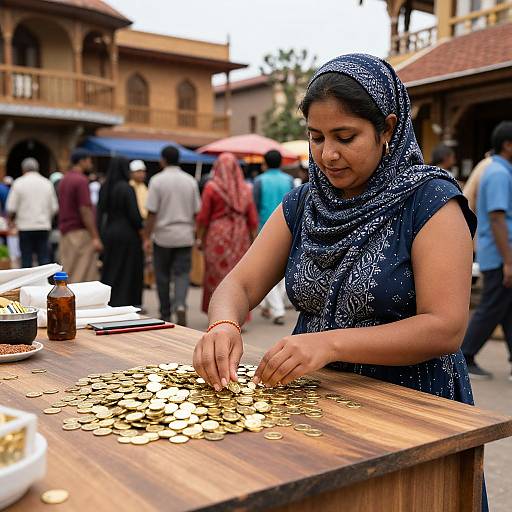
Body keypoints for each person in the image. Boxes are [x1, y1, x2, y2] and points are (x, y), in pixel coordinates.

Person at [193, 54, 485, 508]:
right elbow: (239, 285)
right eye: (316, 137)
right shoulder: (306, 202)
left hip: (409, 411)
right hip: (312, 403)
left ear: (387, 129)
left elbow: (445, 327)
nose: (327, 154)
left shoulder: (430, 202)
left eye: (345, 137)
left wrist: (328, 344)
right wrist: (224, 325)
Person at [461, 121, 512, 380]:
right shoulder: (499, 174)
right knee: (492, 306)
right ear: (507, 145)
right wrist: (508, 261)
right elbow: (497, 218)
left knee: (506, 308)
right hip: (499, 254)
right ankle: (465, 355)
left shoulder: (500, 171)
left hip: (500, 254)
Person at [144, 145, 200, 325]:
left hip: (163, 236)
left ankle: (166, 313)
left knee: (162, 275)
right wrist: (197, 234)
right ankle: (181, 304)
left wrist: (146, 236)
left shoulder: (157, 181)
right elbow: (196, 211)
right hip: (184, 235)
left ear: (163, 160)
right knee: (182, 273)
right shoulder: (190, 181)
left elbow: (152, 212)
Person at [196, 153, 258, 314]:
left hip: (217, 235)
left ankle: (217, 314)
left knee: (216, 275)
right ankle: (238, 314)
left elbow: (203, 217)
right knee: (238, 276)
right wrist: (253, 241)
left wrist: (199, 238)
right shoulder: (245, 189)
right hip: (240, 235)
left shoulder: (211, 187)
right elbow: (252, 219)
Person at [253, 150, 294, 325]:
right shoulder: (289, 180)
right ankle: (271, 305)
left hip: (266, 229)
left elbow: (254, 207)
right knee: (285, 269)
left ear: (265, 163)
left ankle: (276, 309)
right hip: (290, 227)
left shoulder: (259, 181)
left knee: (265, 270)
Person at [97, 156, 144, 307]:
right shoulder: (126, 188)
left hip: (109, 232)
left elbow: (99, 212)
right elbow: (134, 216)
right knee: (127, 269)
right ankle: (125, 301)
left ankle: (108, 299)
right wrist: (141, 228)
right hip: (127, 234)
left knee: (111, 268)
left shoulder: (105, 187)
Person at [58, 149, 103, 282]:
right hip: (79, 231)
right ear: (82, 161)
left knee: (68, 270)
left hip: (65, 231)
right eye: (89, 160)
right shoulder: (81, 180)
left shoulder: (64, 179)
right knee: (81, 273)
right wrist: (95, 236)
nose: (90, 163)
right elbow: (85, 210)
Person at [6, 158, 58, 267]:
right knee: (44, 258)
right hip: (43, 226)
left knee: (26, 259)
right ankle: (44, 283)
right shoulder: (47, 183)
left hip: (25, 226)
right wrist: (47, 218)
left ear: (23, 169)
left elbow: (11, 207)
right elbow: (54, 207)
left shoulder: (19, 183)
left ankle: (27, 284)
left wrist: (11, 222)